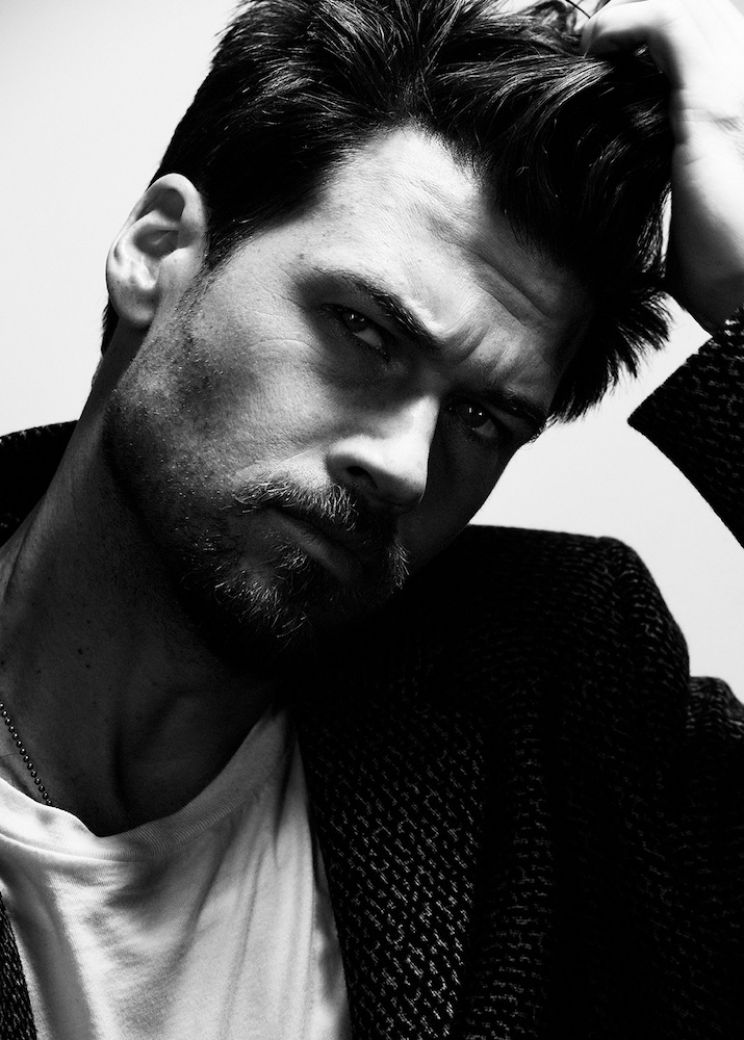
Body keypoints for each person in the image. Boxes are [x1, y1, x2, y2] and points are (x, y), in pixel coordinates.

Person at [0, 0, 742, 1036]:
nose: (402, 466)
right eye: (363, 330)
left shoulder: (559, 688)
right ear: (158, 248)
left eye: (481, 419)